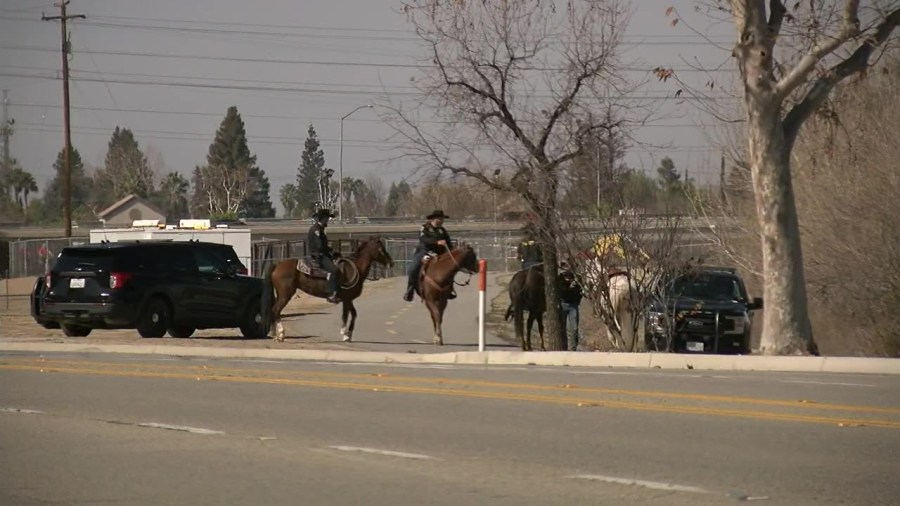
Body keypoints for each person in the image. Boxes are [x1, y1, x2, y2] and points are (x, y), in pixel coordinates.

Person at [403, 209, 456, 302]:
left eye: (443, 219)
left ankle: (449, 289)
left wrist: (451, 251)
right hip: (425, 252)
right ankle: (410, 291)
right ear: (434, 219)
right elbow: (423, 239)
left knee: (450, 269)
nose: (442, 221)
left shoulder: (442, 230)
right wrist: (437, 242)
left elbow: (448, 242)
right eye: (440, 219)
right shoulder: (425, 228)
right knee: (412, 269)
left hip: (440, 254)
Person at [308, 208, 341, 304]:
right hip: (319, 256)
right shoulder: (316, 230)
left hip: (322, 254)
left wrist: (332, 251)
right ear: (322, 219)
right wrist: (330, 251)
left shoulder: (319, 229)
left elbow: (323, 246)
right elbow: (320, 246)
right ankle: (332, 294)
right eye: (327, 218)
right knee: (334, 270)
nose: (328, 221)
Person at [558, 260, 584, 351]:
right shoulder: (560, 278)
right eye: (564, 266)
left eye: (568, 266)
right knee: (562, 329)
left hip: (573, 306)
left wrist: (576, 288)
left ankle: (572, 349)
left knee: (573, 329)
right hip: (562, 304)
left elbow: (580, 292)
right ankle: (563, 348)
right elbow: (561, 292)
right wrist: (570, 287)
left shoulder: (577, 278)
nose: (566, 268)